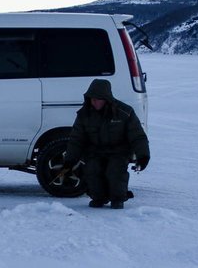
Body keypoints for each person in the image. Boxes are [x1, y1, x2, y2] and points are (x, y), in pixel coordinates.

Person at [63, 79, 150, 209]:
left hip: (119, 151)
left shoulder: (125, 112)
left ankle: (118, 199)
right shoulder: (84, 114)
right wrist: (69, 161)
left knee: (115, 171)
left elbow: (137, 136)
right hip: (94, 152)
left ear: (106, 98)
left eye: (98, 99)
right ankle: (99, 198)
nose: (94, 102)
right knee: (92, 170)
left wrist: (143, 156)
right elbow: (76, 139)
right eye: (92, 98)